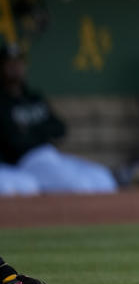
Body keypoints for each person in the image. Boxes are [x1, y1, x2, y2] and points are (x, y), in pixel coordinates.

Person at [0, 42, 117, 194]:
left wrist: (30, 131)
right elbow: (13, 140)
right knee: (79, 186)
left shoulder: (33, 97)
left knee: (103, 178)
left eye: (19, 63)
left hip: (51, 154)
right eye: (10, 63)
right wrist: (39, 132)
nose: (15, 68)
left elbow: (59, 128)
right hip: (26, 162)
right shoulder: (2, 102)